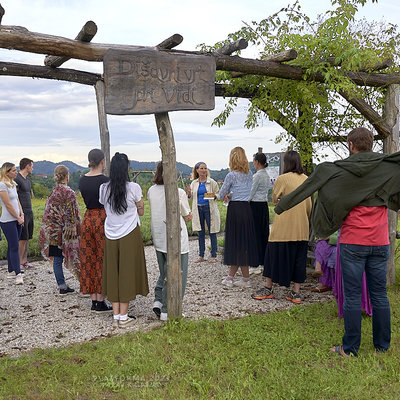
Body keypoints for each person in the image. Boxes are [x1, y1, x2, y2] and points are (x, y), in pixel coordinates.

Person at [274, 127, 400, 356]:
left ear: (351, 145)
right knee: (379, 294)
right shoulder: (389, 169)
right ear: (371, 144)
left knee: (352, 296)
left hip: (353, 242)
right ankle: (382, 346)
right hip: (380, 242)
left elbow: (307, 189)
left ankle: (350, 349)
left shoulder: (339, 172)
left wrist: (281, 206)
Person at [251, 151, 312, 303]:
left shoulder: (282, 179)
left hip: (283, 226)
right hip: (302, 226)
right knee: (299, 258)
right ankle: (296, 292)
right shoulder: (307, 179)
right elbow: (309, 206)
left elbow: (275, 200)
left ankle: (268, 288)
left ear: (286, 163)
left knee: (272, 256)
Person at [99, 152, 149, 329]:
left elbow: (105, 207)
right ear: (127, 168)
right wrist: (138, 206)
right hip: (129, 233)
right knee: (127, 272)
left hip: (110, 233)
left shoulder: (104, 188)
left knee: (113, 272)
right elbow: (141, 211)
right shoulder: (134, 188)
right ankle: (124, 316)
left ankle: (115, 316)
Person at [148, 162, 192, 321]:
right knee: (178, 275)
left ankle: (158, 300)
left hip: (158, 236)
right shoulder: (177, 191)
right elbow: (187, 215)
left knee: (164, 272)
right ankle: (169, 310)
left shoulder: (151, 191)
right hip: (176, 238)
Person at [218, 146, 258, 288]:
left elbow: (222, 194)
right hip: (247, 209)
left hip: (235, 210)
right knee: (243, 244)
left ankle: (232, 278)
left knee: (235, 243)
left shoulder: (231, 175)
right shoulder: (249, 174)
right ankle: (242, 278)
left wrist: (219, 196)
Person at [39, 165, 81, 294]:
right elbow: (73, 213)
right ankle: (84, 283)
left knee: (57, 259)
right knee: (75, 256)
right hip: (67, 232)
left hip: (53, 232)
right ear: (67, 176)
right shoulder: (70, 192)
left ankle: (62, 286)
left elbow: (48, 213)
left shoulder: (53, 192)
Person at [79, 149, 112, 312]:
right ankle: (101, 297)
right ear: (102, 161)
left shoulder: (82, 180)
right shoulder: (106, 181)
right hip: (102, 218)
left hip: (87, 218)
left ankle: (94, 299)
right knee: (102, 257)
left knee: (89, 258)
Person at [187, 162, 220, 263]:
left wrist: (213, 195)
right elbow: (191, 198)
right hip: (198, 209)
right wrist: (188, 193)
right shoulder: (194, 183)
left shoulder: (212, 182)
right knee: (200, 232)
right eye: (201, 168)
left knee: (212, 232)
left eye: (205, 168)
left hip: (209, 208)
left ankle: (213, 255)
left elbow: (219, 194)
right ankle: (201, 255)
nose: (204, 170)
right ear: (197, 170)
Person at [0, 162, 25, 285]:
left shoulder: (13, 184)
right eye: (14, 170)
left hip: (17, 218)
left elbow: (16, 200)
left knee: (12, 245)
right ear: (7, 172)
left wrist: (22, 214)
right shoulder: (2, 185)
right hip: (8, 220)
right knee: (15, 245)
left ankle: (11, 270)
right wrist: (17, 217)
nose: (16, 172)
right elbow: (8, 205)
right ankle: (18, 274)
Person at [248, 152, 271, 275]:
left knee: (255, 235)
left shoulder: (257, 176)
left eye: (254, 161)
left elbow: (251, 193)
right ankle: (262, 262)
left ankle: (255, 264)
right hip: (264, 205)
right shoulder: (266, 175)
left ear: (257, 162)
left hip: (255, 205)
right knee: (263, 234)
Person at [15, 158, 35, 270]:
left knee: (27, 237)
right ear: (27, 166)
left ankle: (25, 261)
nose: (32, 168)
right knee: (21, 239)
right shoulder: (17, 179)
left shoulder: (27, 179)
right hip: (21, 213)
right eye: (32, 166)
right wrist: (19, 214)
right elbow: (15, 198)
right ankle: (18, 262)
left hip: (30, 211)